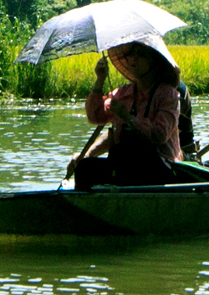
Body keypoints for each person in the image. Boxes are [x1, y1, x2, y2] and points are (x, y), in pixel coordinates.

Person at [70, 36, 195, 189]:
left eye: (141, 55)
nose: (134, 59)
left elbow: (160, 134)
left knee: (140, 163)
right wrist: (100, 81)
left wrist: (128, 118)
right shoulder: (124, 94)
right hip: (126, 164)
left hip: (160, 165)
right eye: (131, 54)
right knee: (84, 167)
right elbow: (96, 116)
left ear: (154, 60)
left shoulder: (167, 94)